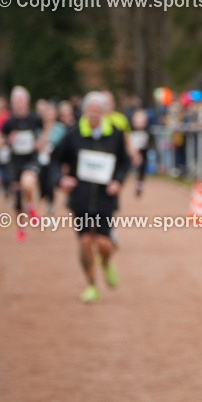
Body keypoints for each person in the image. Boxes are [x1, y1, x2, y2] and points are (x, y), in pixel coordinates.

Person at [53, 92, 131, 303]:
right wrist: (61, 180)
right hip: (81, 197)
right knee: (86, 240)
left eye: (99, 111)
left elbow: (125, 162)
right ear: (85, 112)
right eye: (91, 111)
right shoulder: (73, 135)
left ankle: (106, 263)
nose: (95, 115)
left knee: (104, 244)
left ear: (104, 112)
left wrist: (118, 181)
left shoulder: (114, 134)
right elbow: (55, 160)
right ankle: (92, 285)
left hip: (106, 198)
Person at [1, 86, 44, 242]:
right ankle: (21, 227)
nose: (19, 105)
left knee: (27, 183)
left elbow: (44, 133)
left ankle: (31, 207)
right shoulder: (9, 122)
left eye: (22, 101)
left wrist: (40, 143)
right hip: (14, 161)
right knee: (18, 198)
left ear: (27, 102)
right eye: (16, 102)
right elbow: (1, 140)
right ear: (13, 104)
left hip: (31, 159)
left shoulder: (35, 119)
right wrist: (7, 141)